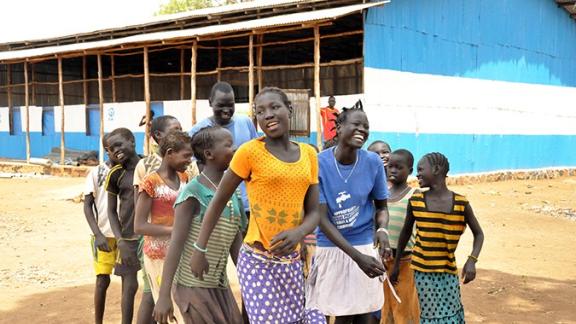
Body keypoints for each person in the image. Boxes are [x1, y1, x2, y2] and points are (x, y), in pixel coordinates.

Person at [187, 87, 325, 324]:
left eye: (274, 107)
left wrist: (299, 232)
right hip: (258, 262)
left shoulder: (309, 155)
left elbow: (314, 212)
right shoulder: (249, 153)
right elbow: (218, 201)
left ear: (289, 110)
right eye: (260, 112)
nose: (268, 115)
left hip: (294, 262)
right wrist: (200, 249)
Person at [306, 101, 393, 324]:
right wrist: (357, 258)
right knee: (342, 316)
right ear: (340, 127)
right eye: (356, 124)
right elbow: (321, 218)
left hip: (364, 243)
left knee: (366, 316)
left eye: (366, 126)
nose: (362, 130)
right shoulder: (319, 163)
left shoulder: (372, 162)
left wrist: (382, 229)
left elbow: (381, 206)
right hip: (332, 247)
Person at [153, 126, 246, 324]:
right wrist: (163, 296)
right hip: (192, 285)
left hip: (219, 285)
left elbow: (235, 244)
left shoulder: (234, 192)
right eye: (229, 145)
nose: (236, 148)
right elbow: (176, 245)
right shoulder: (192, 194)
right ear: (209, 154)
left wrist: (249, 282)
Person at [390, 152, 485, 323]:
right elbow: (405, 234)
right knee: (427, 316)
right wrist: (396, 265)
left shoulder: (461, 203)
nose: (417, 174)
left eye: (420, 169)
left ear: (436, 169)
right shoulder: (416, 200)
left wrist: (472, 260)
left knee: (451, 315)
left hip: (447, 271)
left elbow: (479, 234)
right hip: (421, 272)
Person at [133, 115, 199, 324]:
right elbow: (139, 225)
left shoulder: (185, 178)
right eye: (186, 157)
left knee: (183, 309)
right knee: (168, 308)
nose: (189, 161)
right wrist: (175, 231)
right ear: (170, 154)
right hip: (158, 256)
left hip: (181, 252)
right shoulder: (150, 182)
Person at [189, 81, 258, 216]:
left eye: (230, 105)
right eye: (220, 105)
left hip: (248, 203)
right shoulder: (198, 132)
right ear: (210, 102)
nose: (226, 110)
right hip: (219, 205)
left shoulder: (246, 123)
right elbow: (196, 169)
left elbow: (255, 156)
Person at [105, 128, 141, 324]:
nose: (116, 150)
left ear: (132, 142)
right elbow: (111, 211)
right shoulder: (115, 174)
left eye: (119, 144)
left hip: (152, 236)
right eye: (111, 148)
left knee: (156, 285)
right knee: (129, 286)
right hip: (128, 238)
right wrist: (120, 241)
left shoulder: (150, 165)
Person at [380, 149, 420, 324]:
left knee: (403, 306)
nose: (393, 170)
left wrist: (396, 264)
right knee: (384, 306)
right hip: (382, 260)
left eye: (399, 167)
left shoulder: (414, 196)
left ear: (410, 171)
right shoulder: (381, 196)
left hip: (404, 260)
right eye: (390, 166)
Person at [83, 133, 119, 324]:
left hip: (127, 236)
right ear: (107, 150)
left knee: (129, 281)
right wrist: (97, 234)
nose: (120, 150)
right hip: (104, 234)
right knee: (102, 279)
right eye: (115, 147)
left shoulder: (131, 171)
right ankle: (98, 321)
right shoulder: (96, 172)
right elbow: (87, 205)